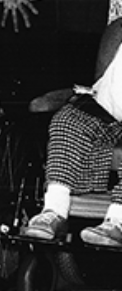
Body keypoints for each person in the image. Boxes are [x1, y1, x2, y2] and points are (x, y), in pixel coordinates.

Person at [22, 17, 122, 248]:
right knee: (68, 119)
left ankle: (117, 221)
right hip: (111, 116)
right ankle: (54, 212)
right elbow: (101, 88)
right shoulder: (117, 31)